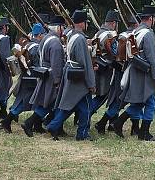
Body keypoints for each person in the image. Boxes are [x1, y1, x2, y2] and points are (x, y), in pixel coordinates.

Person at [111, 5, 155, 142]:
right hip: (144, 73)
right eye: (154, 18)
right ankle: (144, 133)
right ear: (151, 19)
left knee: (140, 102)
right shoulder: (148, 33)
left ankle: (119, 123)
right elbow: (152, 57)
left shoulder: (135, 32)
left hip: (136, 70)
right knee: (151, 103)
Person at [45, 10, 96, 141]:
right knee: (87, 108)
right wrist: (91, 83)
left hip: (73, 73)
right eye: (86, 23)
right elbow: (84, 62)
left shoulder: (73, 35)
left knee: (69, 106)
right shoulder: (79, 39)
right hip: (79, 77)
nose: (87, 25)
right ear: (82, 23)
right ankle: (82, 133)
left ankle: (53, 125)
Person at [21, 15, 66, 137]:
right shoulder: (55, 42)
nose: (64, 30)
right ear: (58, 27)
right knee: (51, 104)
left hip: (45, 74)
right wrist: (57, 81)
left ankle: (55, 128)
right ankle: (30, 123)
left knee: (49, 104)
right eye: (63, 27)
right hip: (52, 76)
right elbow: (56, 64)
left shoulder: (46, 39)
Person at [1, 22, 45, 133]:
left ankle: (36, 125)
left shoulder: (27, 45)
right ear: (40, 35)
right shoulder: (36, 48)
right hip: (32, 78)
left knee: (24, 101)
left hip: (26, 77)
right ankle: (7, 121)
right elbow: (37, 65)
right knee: (25, 102)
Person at [90, 10, 120, 118]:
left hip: (98, 66)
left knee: (104, 95)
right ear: (113, 23)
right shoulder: (109, 35)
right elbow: (116, 53)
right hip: (106, 69)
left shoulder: (98, 33)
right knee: (103, 95)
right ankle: (86, 114)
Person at [0, 17, 13, 122]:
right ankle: (3, 111)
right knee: (3, 90)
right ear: (4, 27)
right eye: (7, 26)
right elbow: (5, 57)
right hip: (1, 68)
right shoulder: (4, 38)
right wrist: (9, 70)